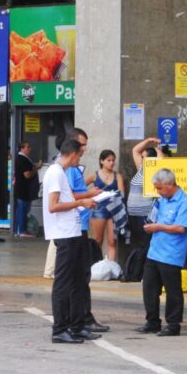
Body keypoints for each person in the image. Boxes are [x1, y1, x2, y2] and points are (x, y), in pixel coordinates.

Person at [43, 138, 98, 344]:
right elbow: (53, 206)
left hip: (72, 232)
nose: (79, 161)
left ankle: (75, 326)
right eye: (80, 156)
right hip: (64, 234)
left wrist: (83, 200)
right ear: (73, 154)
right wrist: (81, 202)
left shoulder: (61, 173)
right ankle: (59, 329)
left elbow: (65, 200)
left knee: (76, 281)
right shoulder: (56, 173)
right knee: (63, 283)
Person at [135, 168, 187, 337]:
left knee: (173, 291)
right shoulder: (162, 200)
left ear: (169, 184)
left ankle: (173, 325)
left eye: (159, 188)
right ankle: (152, 322)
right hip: (154, 250)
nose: (157, 191)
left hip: (171, 253)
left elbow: (181, 228)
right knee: (149, 289)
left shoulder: (184, 202)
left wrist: (159, 227)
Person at [64, 127, 108, 332]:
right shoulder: (67, 169)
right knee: (78, 276)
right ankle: (79, 319)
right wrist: (89, 196)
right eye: (82, 145)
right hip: (75, 227)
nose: (84, 150)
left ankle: (82, 317)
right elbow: (68, 196)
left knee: (83, 275)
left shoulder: (74, 169)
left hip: (80, 224)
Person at [127, 136, 165, 257]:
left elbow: (162, 160)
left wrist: (157, 148)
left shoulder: (156, 171)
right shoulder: (141, 169)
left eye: (145, 157)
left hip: (145, 213)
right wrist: (149, 141)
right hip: (133, 213)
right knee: (140, 244)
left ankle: (146, 273)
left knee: (147, 244)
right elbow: (135, 150)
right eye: (142, 157)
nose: (141, 159)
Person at [85, 149, 126, 261]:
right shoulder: (95, 175)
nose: (112, 163)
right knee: (97, 239)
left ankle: (111, 266)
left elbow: (122, 193)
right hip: (99, 208)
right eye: (109, 160)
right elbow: (81, 189)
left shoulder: (117, 176)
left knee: (112, 241)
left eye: (113, 160)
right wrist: (90, 195)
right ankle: (95, 265)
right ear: (102, 161)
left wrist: (114, 194)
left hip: (114, 210)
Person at [13, 141, 41, 237]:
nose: (29, 149)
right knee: (23, 210)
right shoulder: (22, 159)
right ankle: (22, 230)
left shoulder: (24, 159)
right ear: (22, 148)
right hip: (23, 189)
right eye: (27, 147)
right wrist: (36, 168)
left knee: (21, 210)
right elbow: (27, 174)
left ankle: (18, 230)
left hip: (23, 189)